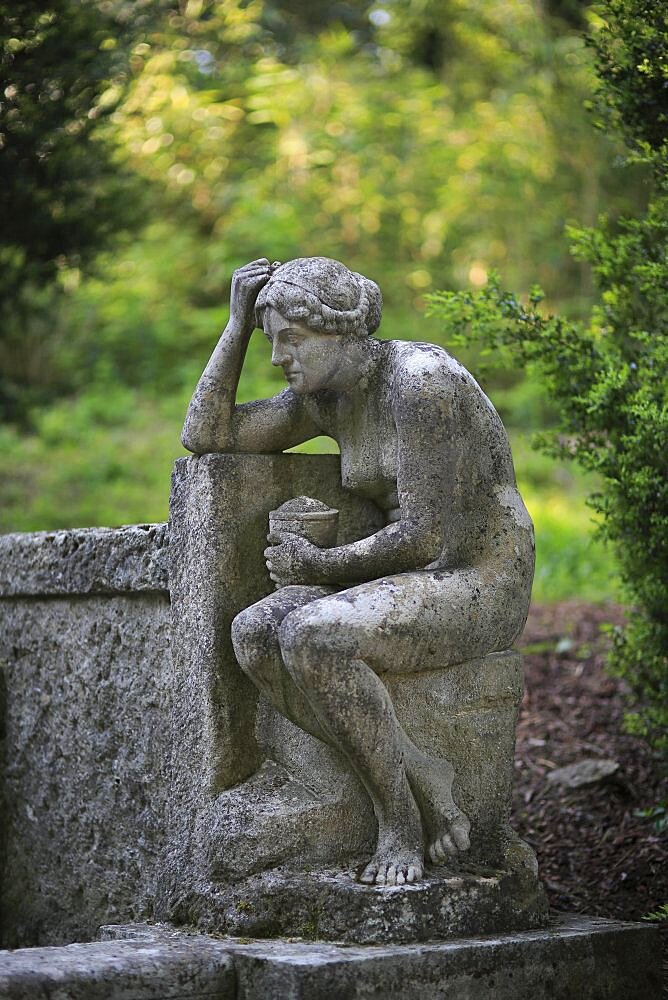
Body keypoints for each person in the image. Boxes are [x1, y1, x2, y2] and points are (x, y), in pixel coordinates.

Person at [181, 255, 534, 885]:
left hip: (478, 576)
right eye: (271, 342)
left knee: (313, 634)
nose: (277, 359)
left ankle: (399, 820)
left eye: (292, 340)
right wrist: (236, 325)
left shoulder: (420, 384)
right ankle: (421, 769)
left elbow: (431, 537)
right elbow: (206, 433)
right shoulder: (324, 399)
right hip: (414, 572)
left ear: (342, 332)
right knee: (254, 633)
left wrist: (320, 566)